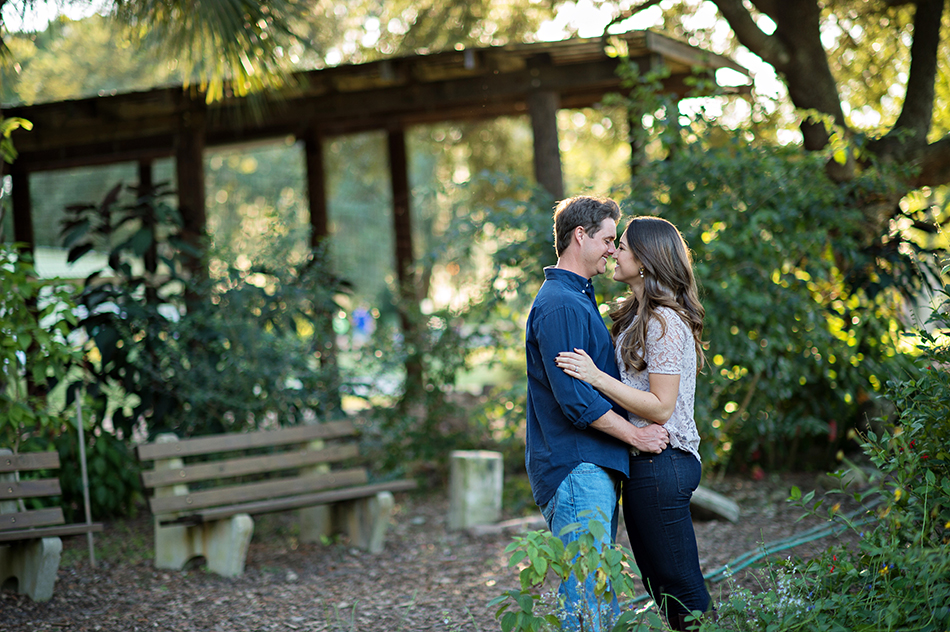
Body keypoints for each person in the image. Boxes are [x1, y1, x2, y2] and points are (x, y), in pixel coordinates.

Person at [555, 216, 712, 631]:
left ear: (644, 260)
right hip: (644, 461)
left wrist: (595, 376)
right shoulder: (635, 317)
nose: (614, 251)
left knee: (679, 584)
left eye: (622, 246)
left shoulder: (663, 321)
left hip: (664, 460)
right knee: (660, 585)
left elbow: (661, 407)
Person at [525, 197, 670, 631]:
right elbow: (576, 400)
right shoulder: (562, 305)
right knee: (587, 606)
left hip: (591, 467)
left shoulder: (577, 299)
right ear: (579, 236)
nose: (613, 248)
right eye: (608, 239)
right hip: (577, 467)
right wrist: (637, 436)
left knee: (599, 602)